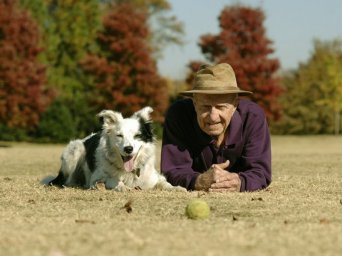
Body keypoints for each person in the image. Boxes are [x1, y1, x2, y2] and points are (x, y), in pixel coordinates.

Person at [160, 63, 271, 192]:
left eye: (221, 107)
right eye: (205, 107)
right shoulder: (178, 115)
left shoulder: (253, 117)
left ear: (235, 104)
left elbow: (260, 172)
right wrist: (198, 181)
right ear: (194, 103)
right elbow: (172, 171)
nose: (213, 117)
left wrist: (239, 182)